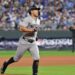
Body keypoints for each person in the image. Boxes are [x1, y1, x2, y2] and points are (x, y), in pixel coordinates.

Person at [1, 6, 40, 75]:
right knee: (16, 58)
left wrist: (35, 36)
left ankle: (35, 73)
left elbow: (35, 31)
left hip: (33, 43)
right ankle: (6, 64)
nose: (37, 11)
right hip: (24, 42)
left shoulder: (38, 20)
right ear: (31, 12)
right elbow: (21, 29)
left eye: (37, 10)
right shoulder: (27, 19)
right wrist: (31, 30)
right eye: (36, 10)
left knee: (37, 58)